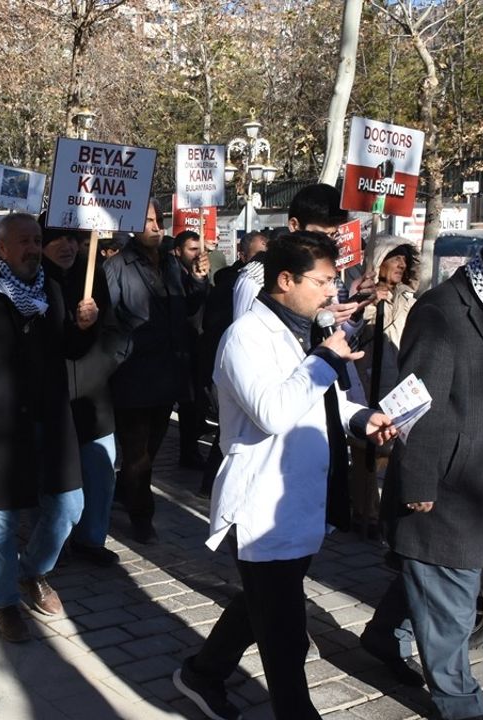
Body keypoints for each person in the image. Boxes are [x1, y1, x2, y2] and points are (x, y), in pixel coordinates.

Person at [172, 232, 397, 720]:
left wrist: (362, 420)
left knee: (262, 607)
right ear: (285, 279)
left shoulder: (307, 330)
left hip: (300, 501)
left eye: (333, 281)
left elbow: (322, 401)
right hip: (261, 504)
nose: (331, 293)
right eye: (323, 282)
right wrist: (326, 359)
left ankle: (202, 672)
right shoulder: (246, 337)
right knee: (285, 633)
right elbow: (273, 411)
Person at [360, 214, 483, 720]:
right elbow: (417, 403)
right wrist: (418, 480)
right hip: (444, 482)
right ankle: (462, 704)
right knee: (453, 594)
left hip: (477, 477)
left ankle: (384, 637)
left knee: (430, 572)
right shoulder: (443, 311)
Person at [0, 213, 97, 642]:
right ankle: (4, 601)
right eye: (23, 241)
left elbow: (67, 348)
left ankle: (33, 572)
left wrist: (83, 327)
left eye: (36, 240)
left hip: (50, 420)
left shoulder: (51, 289)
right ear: (1, 249)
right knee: (1, 521)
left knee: (70, 505)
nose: (32, 248)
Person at [104, 199, 207, 543]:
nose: (155, 226)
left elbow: (185, 308)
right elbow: (108, 318)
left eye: (158, 220)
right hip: (133, 374)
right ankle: (141, 516)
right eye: (147, 220)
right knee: (137, 454)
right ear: (132, 226)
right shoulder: (116, 266)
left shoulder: (172, 264)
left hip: (168, 374)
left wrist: (198, 282)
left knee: (151, 448)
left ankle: (126, 493)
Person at [40, 221, 123, 566]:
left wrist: (107, 359)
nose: (67, 246)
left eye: (73, 238)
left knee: (100, 471)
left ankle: (91, 539)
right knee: (54, 476)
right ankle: (49, 543)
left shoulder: (96, 276)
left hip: (93, 394)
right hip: (52, 395)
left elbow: (114, 329)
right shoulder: (30, 281)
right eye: (57, 238)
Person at [351, 237, 419, 529]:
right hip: (367, 381)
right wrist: (367, 304)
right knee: (365, 448)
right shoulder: (361, 295)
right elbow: (349, 332)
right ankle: (363, 511)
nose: (401, 264)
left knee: (391, 451)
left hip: (398, 384)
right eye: (395, 258)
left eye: (405, 260)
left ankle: (384, 511)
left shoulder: (409, 299)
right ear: (379, 261)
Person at [232, 184, 371, 325]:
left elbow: (341, 334)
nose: (328, 243)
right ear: (294, 225)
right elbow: (245, 333)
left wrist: (352, 311)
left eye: (334, 234)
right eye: (320, 235)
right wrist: (317, 323)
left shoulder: (331, 276)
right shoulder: (257, 276)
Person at [172, 230, 213, 469]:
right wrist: (197, 281)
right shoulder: (173, 274)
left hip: (197, 347)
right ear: (178, 251)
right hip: (178, 349)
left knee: (193, 403)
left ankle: (189, 450)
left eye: (200, 249)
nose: (198, 254)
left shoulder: (203, 272)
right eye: (192, 249)